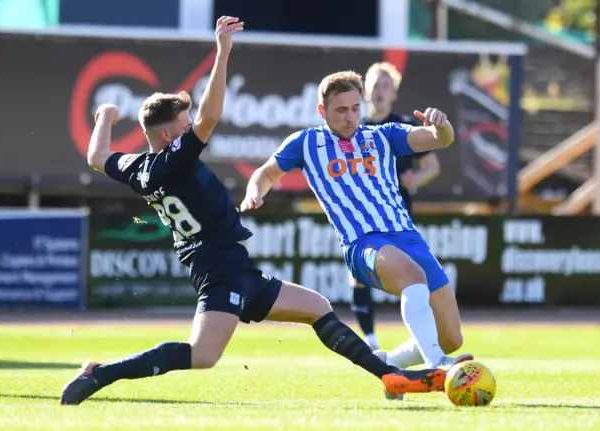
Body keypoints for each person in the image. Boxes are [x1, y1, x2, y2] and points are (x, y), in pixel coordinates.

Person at [60, 17, 447, 406]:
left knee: (317, 308)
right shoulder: (172, 160)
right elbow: (210, 116)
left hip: (234, 267)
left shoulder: (137, 166)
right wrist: (223, 51)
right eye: (184, 124)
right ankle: (101, 373)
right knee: (202, 355)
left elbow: (98, 157)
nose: (191, 126)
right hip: (220, 271)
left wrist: (106, 116)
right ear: (169, 136)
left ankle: (392, 375)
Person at [241, 70, 473, 382]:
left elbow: (438, 139)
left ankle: (388, 362)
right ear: (322, 111)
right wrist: (254, 193)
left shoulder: (382, 135)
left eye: (354, 108)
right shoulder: (306, 142)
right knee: (413, 277)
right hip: (363, 244)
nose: (350, 117)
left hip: (408, 238)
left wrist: (441, 127)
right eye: (340, 110)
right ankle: (437, 363)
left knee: (451, 337)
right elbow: (265, 173)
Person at [349, 62, 442, 351]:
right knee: (359, 279)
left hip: (398, 217)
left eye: (385, 86)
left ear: (394, 93)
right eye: (375, 85)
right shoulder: (354, 129)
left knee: (410, 279)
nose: (379, 91)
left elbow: (432, 166)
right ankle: (372, 341)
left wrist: (416, 177)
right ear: (365, 91)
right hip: (364, 217)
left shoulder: (403, 129)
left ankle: (420, 338)